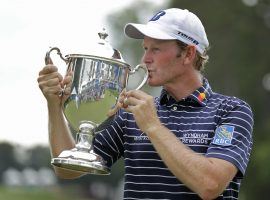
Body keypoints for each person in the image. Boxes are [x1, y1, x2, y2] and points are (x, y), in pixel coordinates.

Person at [37, 8, 254, 200]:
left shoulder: (232, 111)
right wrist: (54, 106)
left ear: (188, 54)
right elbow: (68, 169)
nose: (145, 59)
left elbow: (210, 186)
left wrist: (152, 126)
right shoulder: (130, 114)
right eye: (145, 48)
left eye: (156, 49)